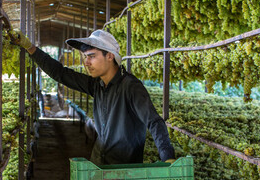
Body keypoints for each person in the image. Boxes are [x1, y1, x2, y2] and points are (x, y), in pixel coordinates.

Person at [11, 29, 175, 166]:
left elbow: (154, 121)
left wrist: (167, 157)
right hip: (98, 166)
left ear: (110, 56)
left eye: (91, 56)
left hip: (124, 173)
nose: (86, 62)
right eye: (85, 57)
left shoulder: (130, 87)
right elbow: (61, 73)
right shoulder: (98, 85)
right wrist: (30, 47)